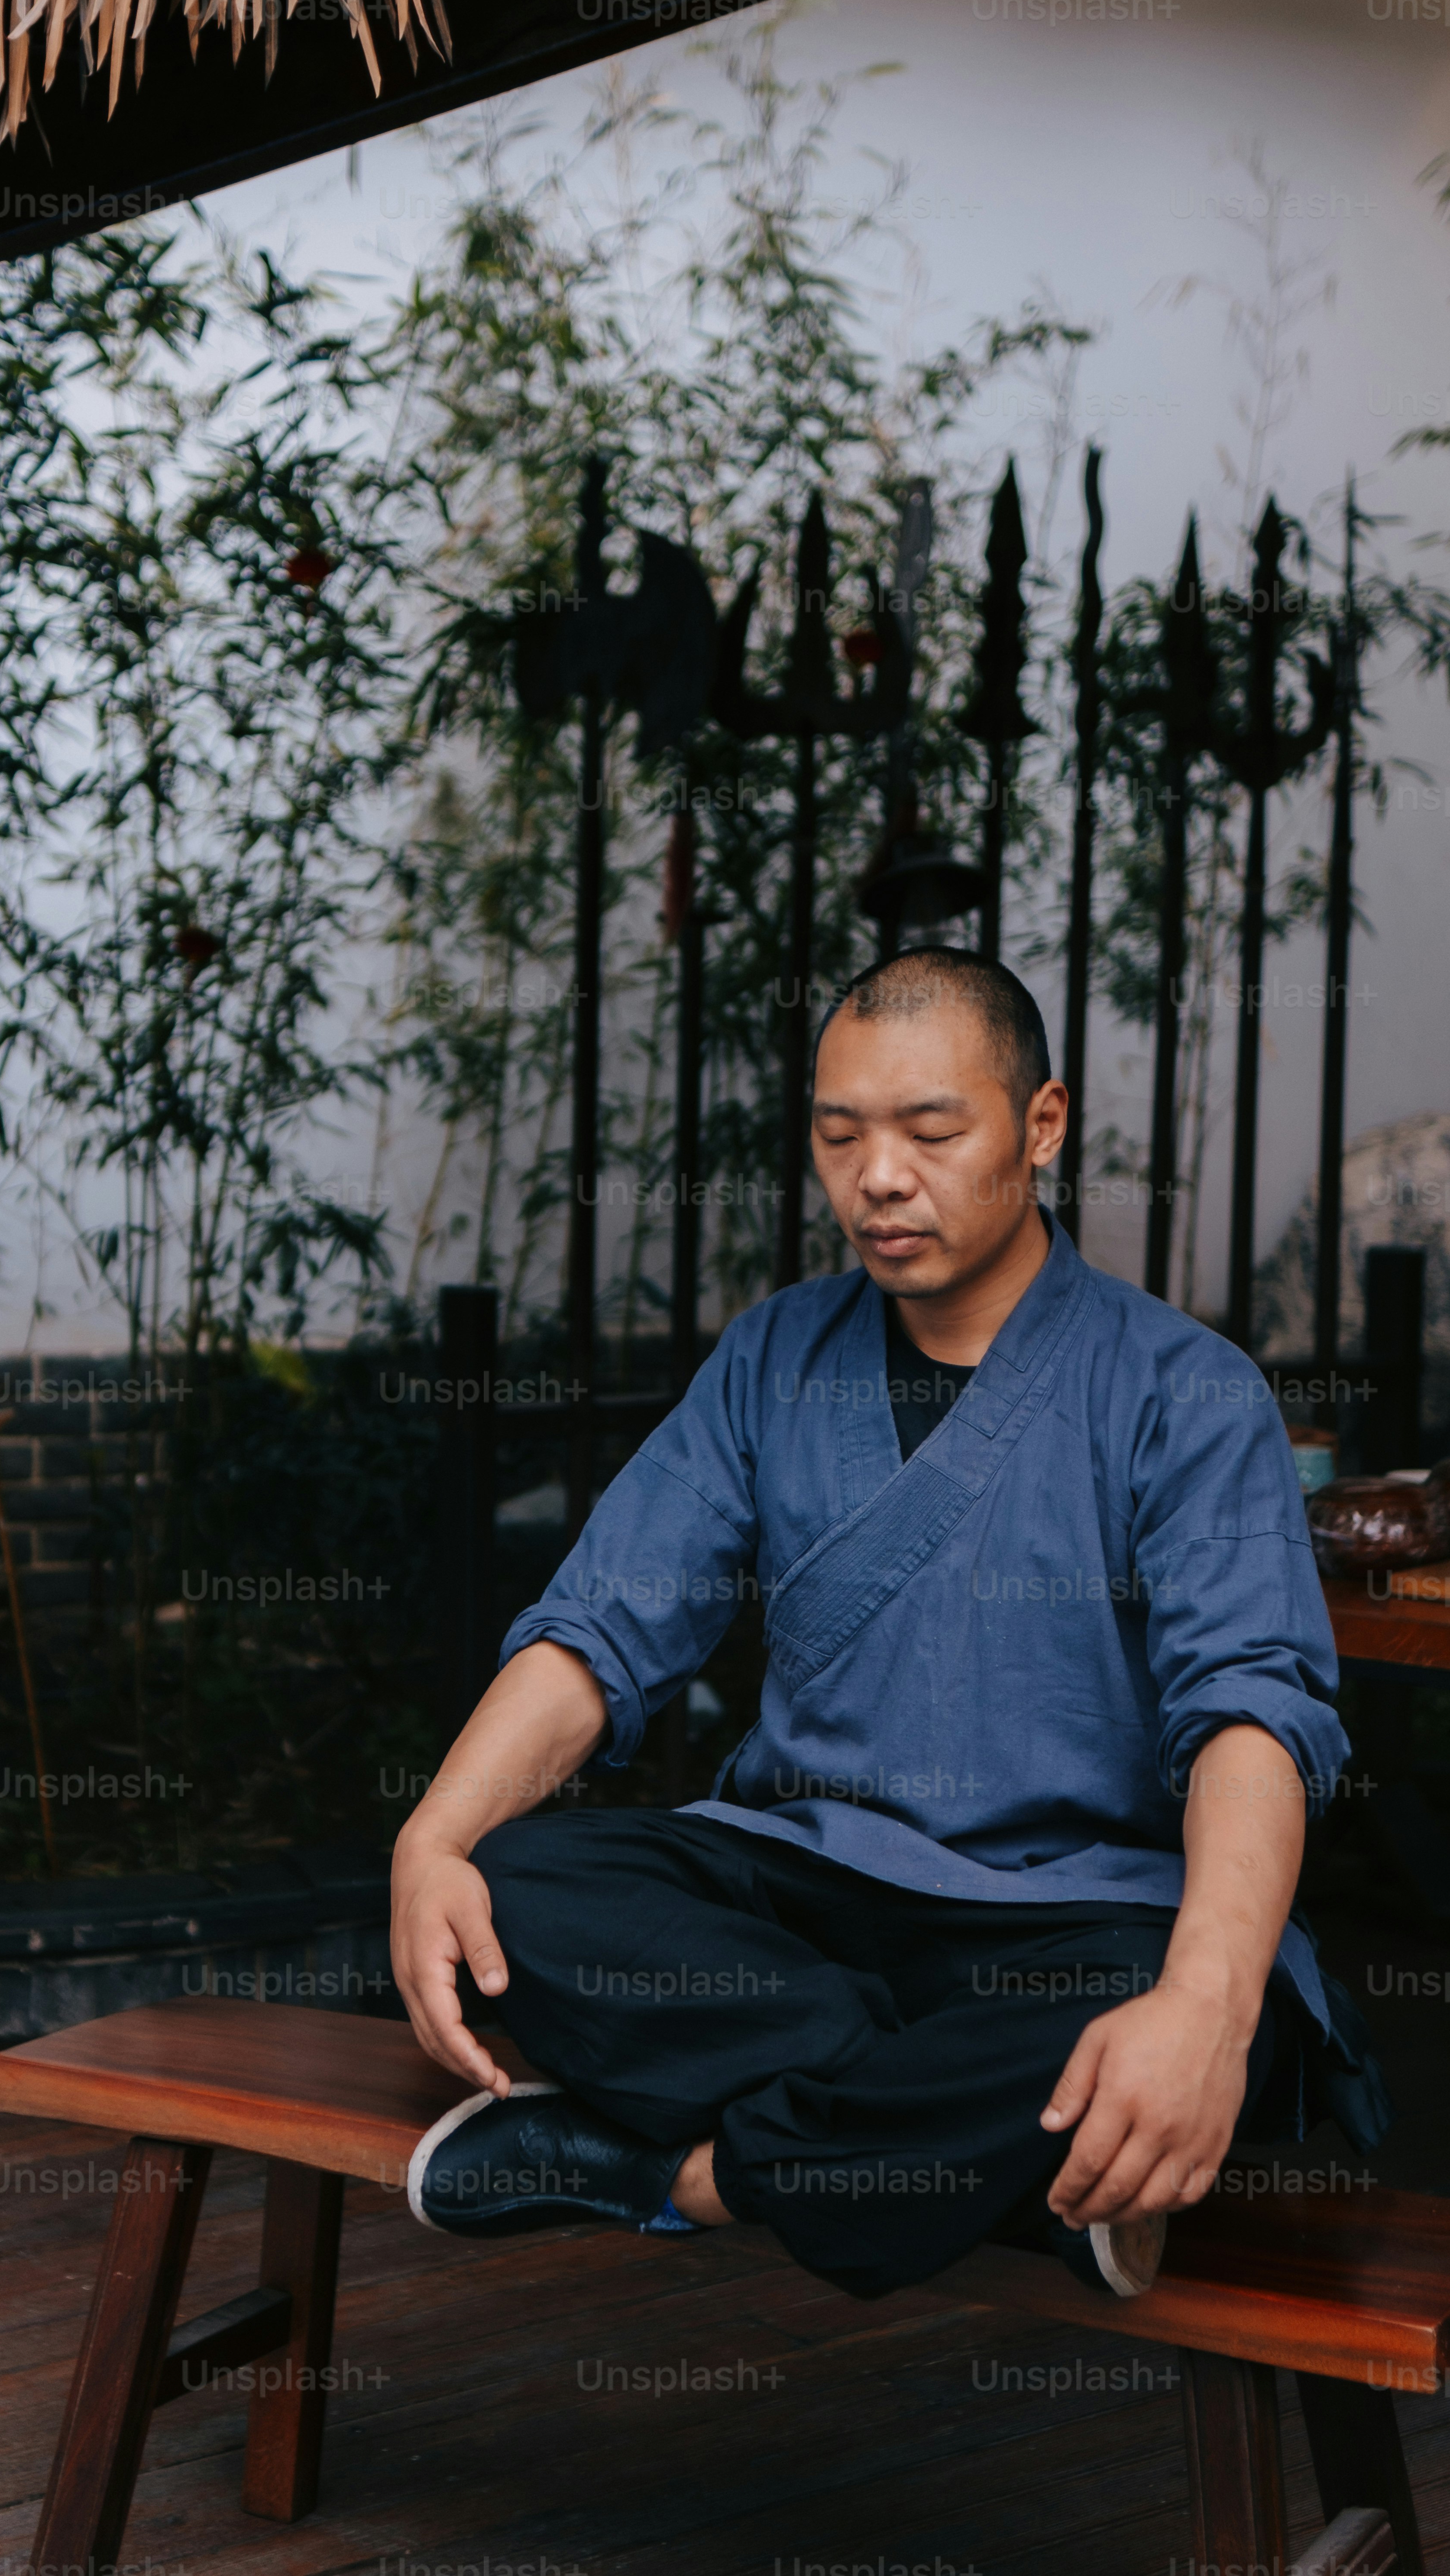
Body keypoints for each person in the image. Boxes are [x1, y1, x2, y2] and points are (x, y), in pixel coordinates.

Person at [389, 948, 1389, 2304]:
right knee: (510, 1892)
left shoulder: (1185, 1391)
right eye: (839, 1132)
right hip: (809, 1904)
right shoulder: (773, 1357)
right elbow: (602, 1625)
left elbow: (1252, 1714)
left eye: (931, 1130)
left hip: (1075, 1918)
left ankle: (679, 2175)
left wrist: (1202, 2009)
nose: (877, 1177)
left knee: (1214, 2001)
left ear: (1041, 1125)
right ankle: (962, 2143)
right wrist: (435, 1836)